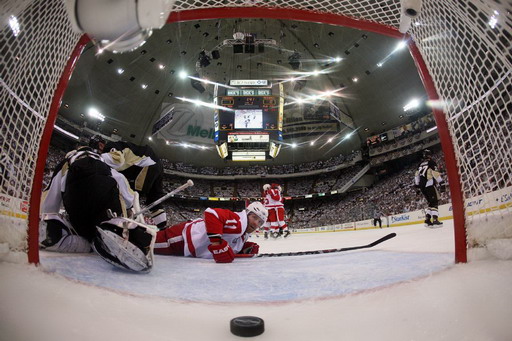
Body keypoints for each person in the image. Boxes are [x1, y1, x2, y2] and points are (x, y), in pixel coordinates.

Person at [40, 145, 155, 272]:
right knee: (109, 221)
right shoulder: (100, 159)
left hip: (76, 195)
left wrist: (47, 216)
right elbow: (120, 180)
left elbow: (50, 200)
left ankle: (78, 239)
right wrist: (128, 205)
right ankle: (119, 230)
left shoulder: (65, 164)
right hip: (104, 186)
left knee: (85, 230)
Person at [89, 135, 167, 229]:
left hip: (147, 164)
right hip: (154, 163)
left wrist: (95, 160)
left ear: (101, 145)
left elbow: (118, 160)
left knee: (128, 195)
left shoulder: (109, 147)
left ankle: (127, 227)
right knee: (154, 199)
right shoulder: (119, 146)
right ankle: (163, 229)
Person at [154, 202, 268, 263]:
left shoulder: (244, 233)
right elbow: (211, 213)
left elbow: (228, 242)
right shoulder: (239, 221)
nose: (256, 223)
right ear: (247, 213)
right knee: (148, 244)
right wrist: (217, 244)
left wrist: (243, 249)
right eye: (254, 217)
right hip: (181, 239)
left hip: (187, 245)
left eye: (260, 222)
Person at [414, 149, 445, 227]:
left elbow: (416, 176)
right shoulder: (431, 163)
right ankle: (435, 220)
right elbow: (435, 173)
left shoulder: (419, 164)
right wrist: (441, 183)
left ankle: (427, 220)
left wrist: (417, 186)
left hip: (422, 186)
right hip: (429, 184)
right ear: (429, 155)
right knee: (434, 202)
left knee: (430, 203)